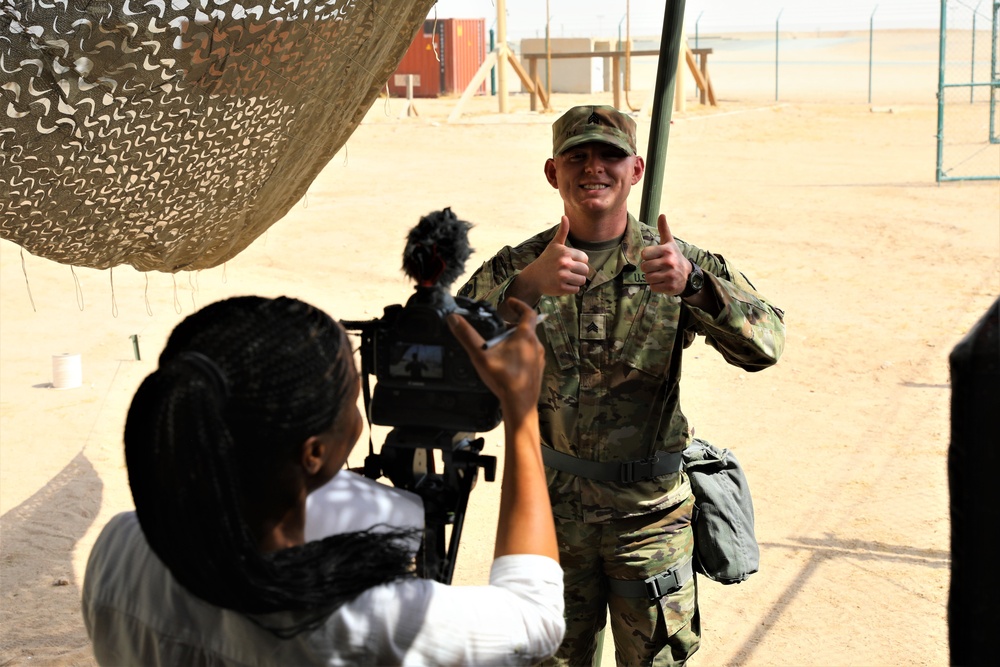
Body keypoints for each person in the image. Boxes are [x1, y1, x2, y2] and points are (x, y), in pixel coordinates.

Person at [458, 105, 786, 666]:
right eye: (577, 156)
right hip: (552, 517)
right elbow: (448, 359)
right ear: (551, 172)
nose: (594, 168)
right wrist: (526, 290)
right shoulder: (521, 265)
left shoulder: (675, 262)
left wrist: (697, 289)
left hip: (651, 519)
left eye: (610, 155)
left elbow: (766, 345)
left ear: (635, 170)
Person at [81, 294, 564, 665]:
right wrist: (519, 408)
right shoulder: (368, 618)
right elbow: (536, 617)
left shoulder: (119, 548)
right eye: (353, 389)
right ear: (314, 453)